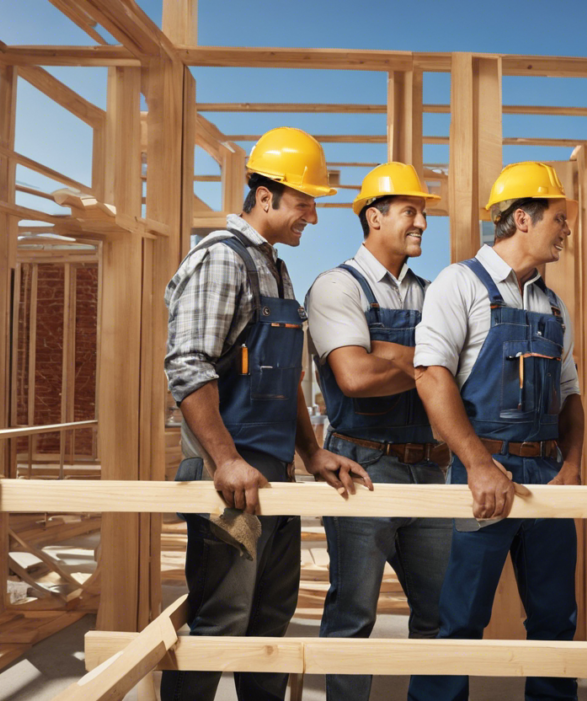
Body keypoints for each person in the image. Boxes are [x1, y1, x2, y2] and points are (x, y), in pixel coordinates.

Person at [163, 127, 370, 701]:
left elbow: (282, 380)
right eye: (304, 203)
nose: (313, 216)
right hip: (227, 476)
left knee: (271, 617)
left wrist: (312, 451)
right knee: (221, 618)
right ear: (265, 196)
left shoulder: (274, 269)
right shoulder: (221, 262)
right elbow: (187, 366)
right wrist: (224, 460)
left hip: (272, 472)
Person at [408, 161, 584, 701]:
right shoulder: (459, 284)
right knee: (457, 619)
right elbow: (431, 376)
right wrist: (479, 465)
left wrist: (572, 468)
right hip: (479, 472)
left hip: (547, 477)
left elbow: (570, 394)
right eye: (559, 218)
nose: (566, 230)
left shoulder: (553, 304)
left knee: (556, 619)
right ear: (523, 219)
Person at [305, 162, 452, 701]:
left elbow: (456, 372)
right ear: (374, 216)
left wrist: (391, 353)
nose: (422, 223)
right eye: (410, 211)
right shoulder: (336, 287)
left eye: (423, 212)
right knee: (353, 611)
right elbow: (356, 376)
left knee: (440, 611)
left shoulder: (435, 293)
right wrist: (427, 363)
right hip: (361, 467)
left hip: (429, 469)